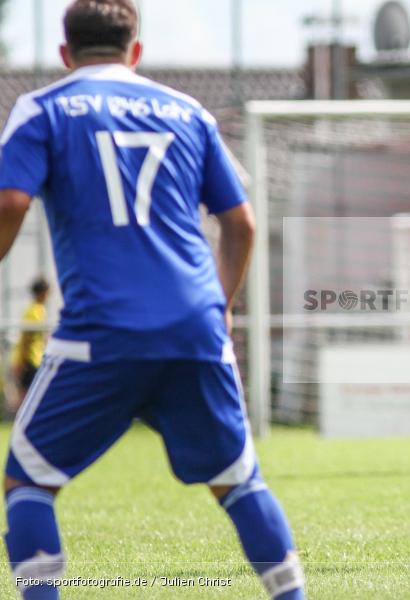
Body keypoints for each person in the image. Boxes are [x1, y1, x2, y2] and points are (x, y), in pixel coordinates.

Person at [0, 2, 304, 598]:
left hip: (102, 331)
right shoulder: (188, 112)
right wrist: (220, 305)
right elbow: (240, 223)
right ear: (135, 50)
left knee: (28, 482)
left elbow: (10, 203)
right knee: (240, 482)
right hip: (195, 326)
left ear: (65, 54)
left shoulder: (44, 108)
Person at [10, 278, 50, 412]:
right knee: (28, 395)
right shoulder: (34, 312)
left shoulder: (38, 310)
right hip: (30, 360)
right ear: (42, 292)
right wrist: (21, 361)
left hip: (36, 359)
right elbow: (26, 339)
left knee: (30, 394)